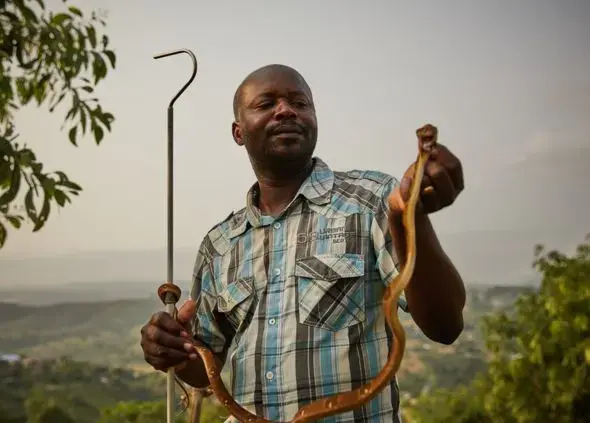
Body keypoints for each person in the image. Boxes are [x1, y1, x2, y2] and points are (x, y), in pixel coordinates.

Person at [140, 64, 466, 422]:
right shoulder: (219, 245)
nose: (286, 110)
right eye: (266, 104)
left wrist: (409, 217)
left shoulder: (374, 202)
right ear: (238, 132)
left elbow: (445, 326)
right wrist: (173, 350)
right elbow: (206, 367)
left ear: (314, 119)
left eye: (300, 102)